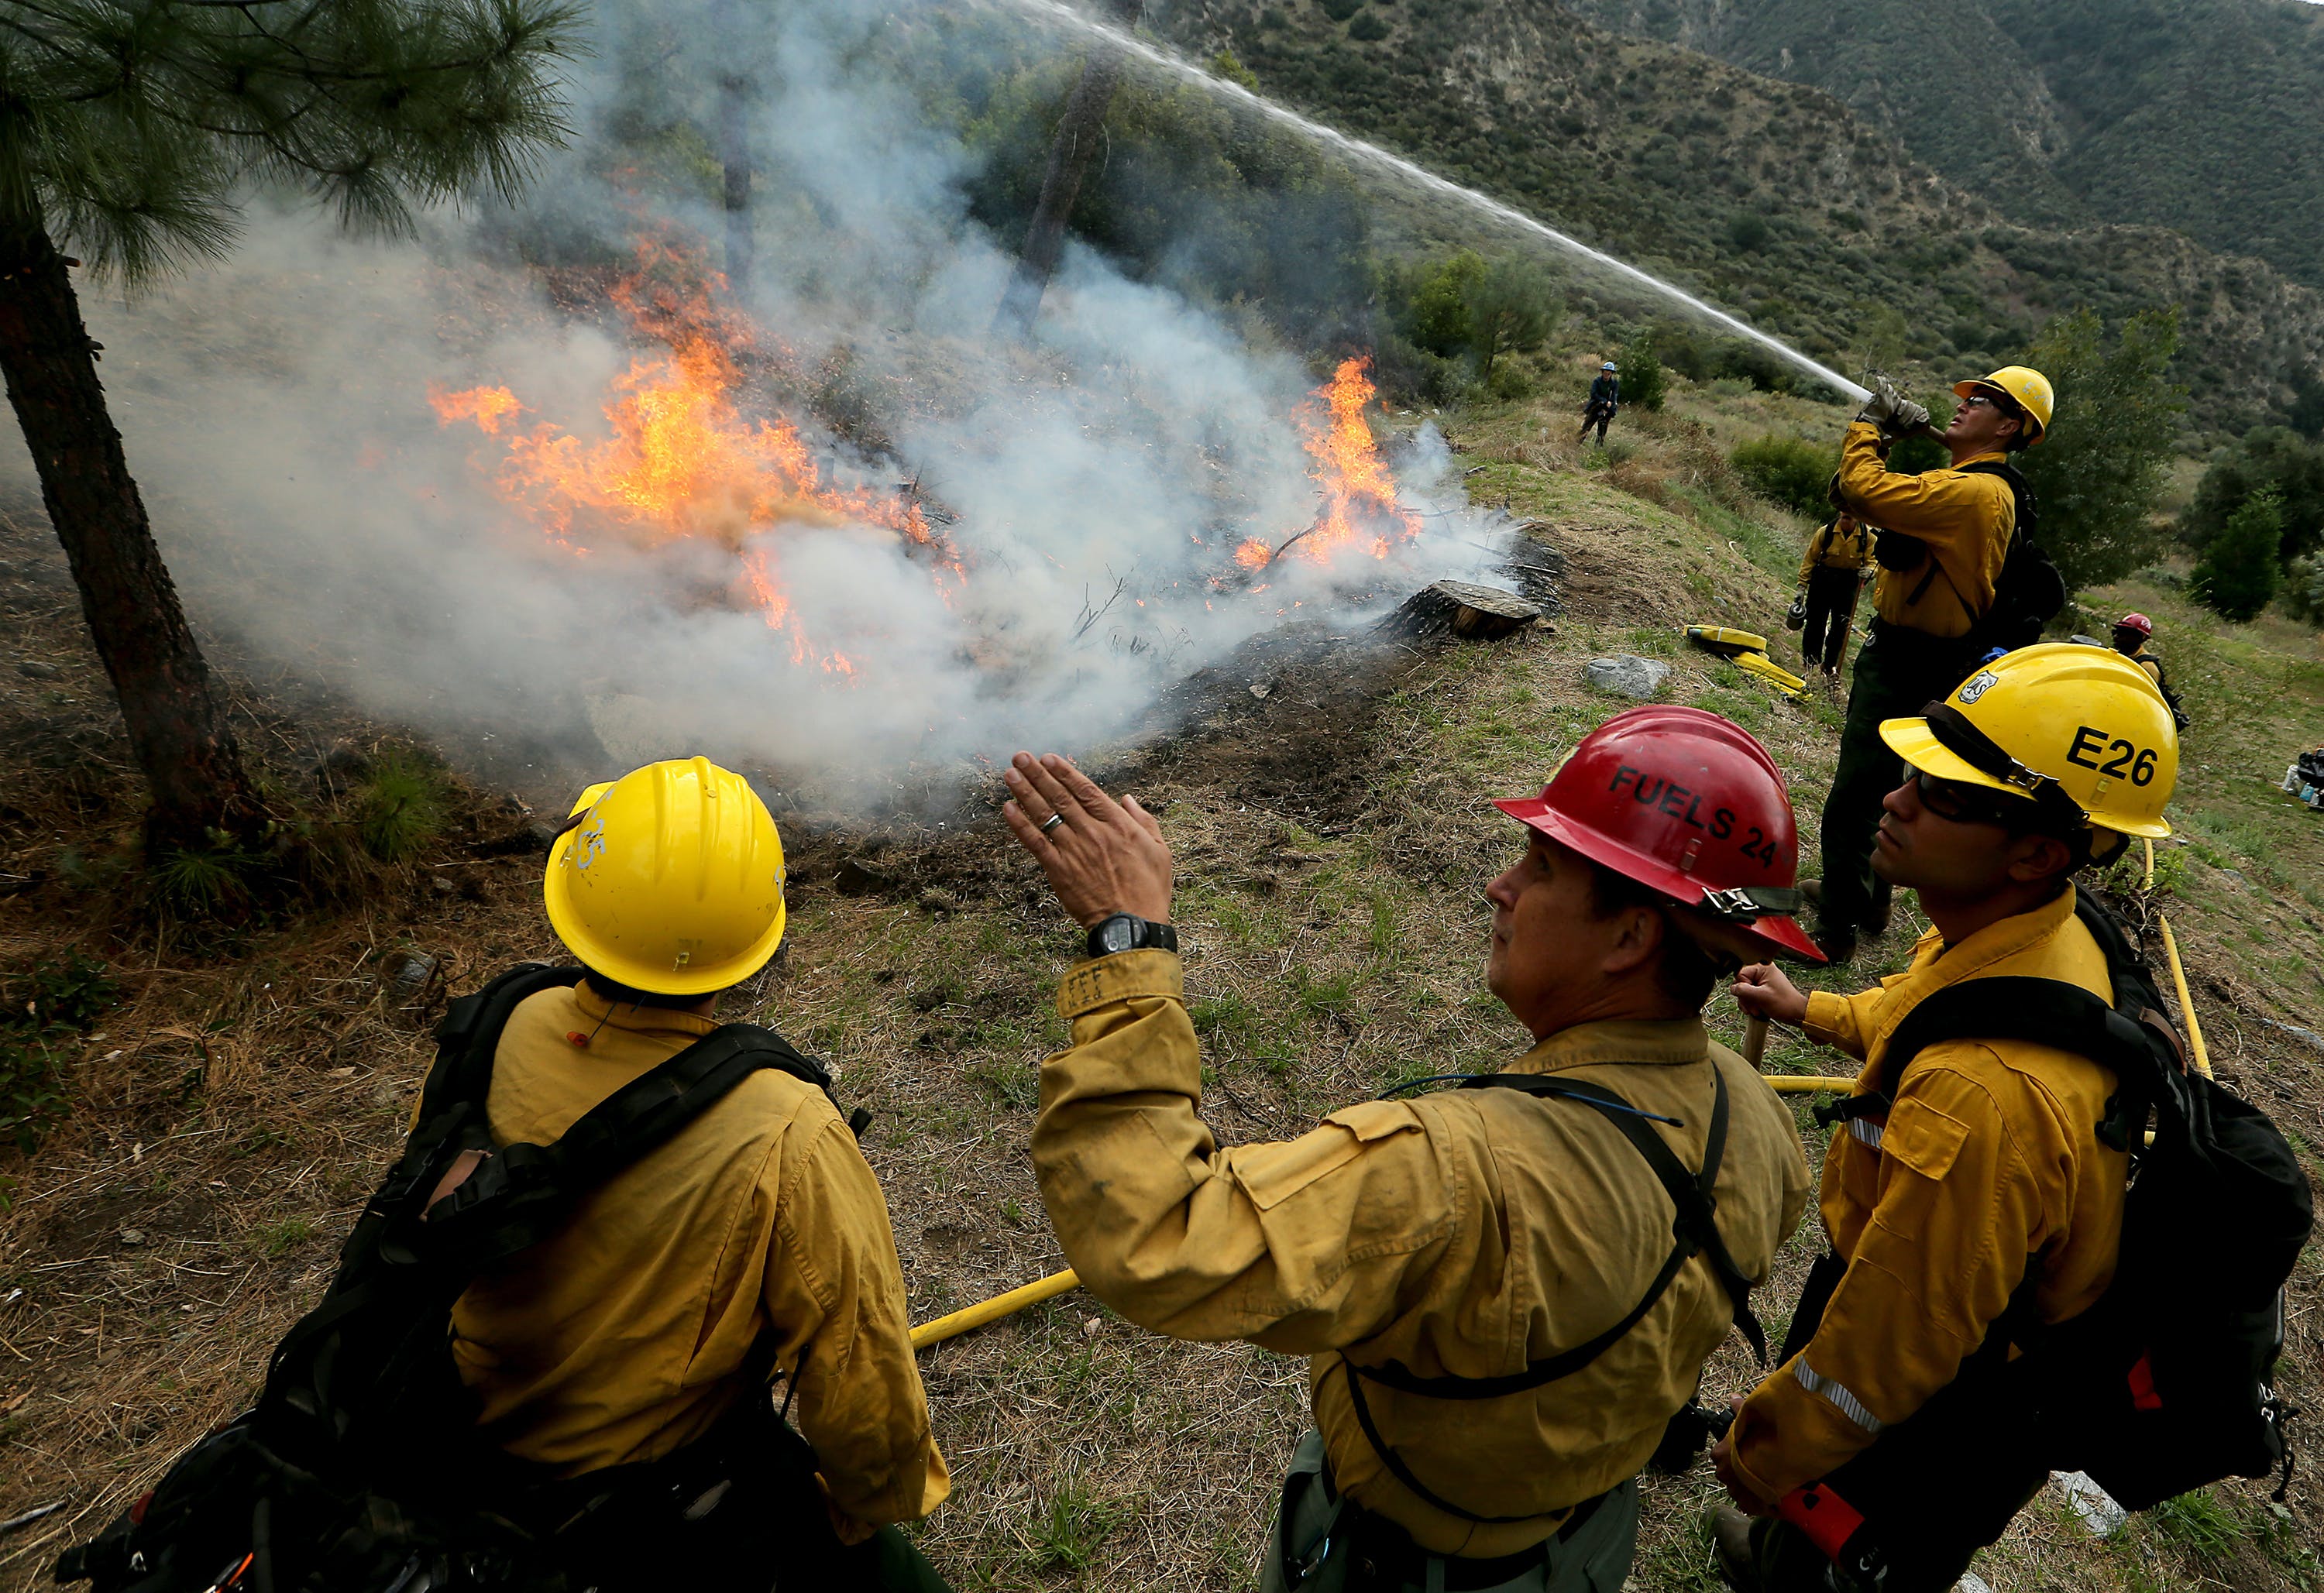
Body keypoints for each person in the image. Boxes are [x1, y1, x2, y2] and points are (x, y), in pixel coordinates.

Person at [999, 707, 1820, 1593]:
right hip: (1584, 1546)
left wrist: (1130, 940)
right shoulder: (1756, 1116)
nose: (1498, 888)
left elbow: (1159, 1232)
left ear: (1631, 937)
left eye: (1540, 867)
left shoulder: (1448, 1169)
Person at [1709, 645, 2179, 1592]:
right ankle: (1783, 1554)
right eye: (1917, 771)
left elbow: (1886, 1349)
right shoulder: (2036, 921)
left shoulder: (1980, 1102)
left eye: (1943, 792)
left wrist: (1761, 1455)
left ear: (2038, 848)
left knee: (1857, 1546)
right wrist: (1814, 1010)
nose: (1896, 798)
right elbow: (1929, 1004)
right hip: (1956, 1305)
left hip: (1954, 1400)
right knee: (1817, 1531)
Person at [452, 757, 953, 1588]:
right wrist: (872, 1501)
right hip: (637, 1500)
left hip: (451, 1434)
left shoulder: (495, 1023)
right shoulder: (785, 1129)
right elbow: (858, 1371)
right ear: (758, 935)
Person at [1805, 365, 2054, 962]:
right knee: (1899, 787)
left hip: (1908, 661)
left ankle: (1835, 926)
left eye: (1986, 400)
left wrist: (1868, 426)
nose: (1965, 405)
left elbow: (1864, 491)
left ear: (2011, 426)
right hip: (1935, 660)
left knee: (1860, 791)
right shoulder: (1969, 483)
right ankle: (1867, 898)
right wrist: (1890, 441)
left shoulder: (1974, 494)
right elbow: (1858, 496)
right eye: (1971, 397)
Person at [1792, 513, 1872, 678]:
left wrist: (1871, 571)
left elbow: (1874, 560)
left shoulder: (1867, 537)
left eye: (1849, 517)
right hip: (1822, 580)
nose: (1845, 520)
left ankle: (1829, 666)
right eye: (1843, 516)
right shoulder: (1825, 532)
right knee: (1815, 623)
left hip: (1848, 583)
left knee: (1841, 627)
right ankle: (1809, 664)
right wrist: (1802, 586)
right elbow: (1810, 559)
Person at [1580, 359, 1621, 445]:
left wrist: (1610, 407)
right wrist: (1605, 401)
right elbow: (1593, 394)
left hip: (1607, 408)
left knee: (1602, 430)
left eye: (1609, 374)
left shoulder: (1614, 383)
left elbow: (1614, 396)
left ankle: (1598, 448)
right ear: (1602, 372)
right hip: (1596, 406)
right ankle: (1576, 443)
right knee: (1587, 426)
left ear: (1611, 374)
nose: (1606, 375)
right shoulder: (1597, 381)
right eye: (1605, 373)